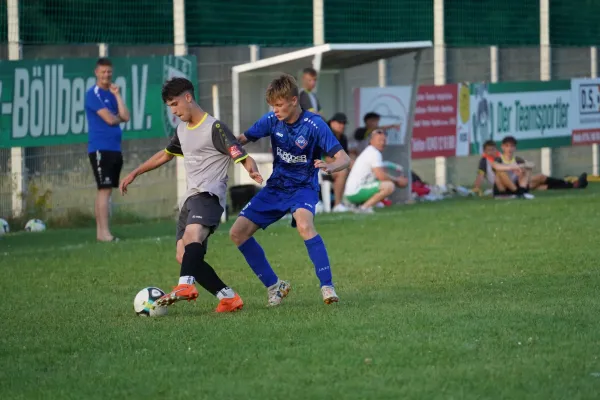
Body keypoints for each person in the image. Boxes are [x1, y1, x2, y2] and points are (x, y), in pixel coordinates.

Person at [119, 77, 263, 313]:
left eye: (175, 104)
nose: (174, 111)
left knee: (192, 236)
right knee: (183, 255)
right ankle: (228, 297)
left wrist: (252, 170)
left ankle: (185, 285)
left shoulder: (214, 128)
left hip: (208, 196)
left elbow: (241, 154)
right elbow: (165, 154)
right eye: (170, 107)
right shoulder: (182, 130)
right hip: (189, 200)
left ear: (188, 97)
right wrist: (136, 172)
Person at [229, 73, 351, 306]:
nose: (275, 110)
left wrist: (331, 165)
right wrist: (223, 142)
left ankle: (327, 286)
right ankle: (275, 286)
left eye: (279, 104)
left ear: (294, 100)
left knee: (305, 225)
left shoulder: (314, 125)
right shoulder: (271, 120)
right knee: (237, 233)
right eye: (272, 105)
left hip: (303, 187)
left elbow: (344, 158)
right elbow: (242, 139)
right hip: (276, 186)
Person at [85, 57, 130, 242]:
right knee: (103, 189)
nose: (106, 75)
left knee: (107, 190)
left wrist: (118, 95)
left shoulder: (112, 94)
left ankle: (101, 233)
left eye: (109, 72)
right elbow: (110, 119)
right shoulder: (92, 94)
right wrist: (117, 118)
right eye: (103, 72)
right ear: (96, 72)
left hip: (114, 148)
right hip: (100, 148)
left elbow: (125, 116)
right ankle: (104, 233)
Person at [474, 139, 588, 195]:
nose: (492, 152)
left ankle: (572, 185)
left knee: (539, 185)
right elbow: (484, 174)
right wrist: (476, 188)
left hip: (516, 181)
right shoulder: (486, 161)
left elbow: (529, 164)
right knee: (540, 178)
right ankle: (572, 185)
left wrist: (522, 167)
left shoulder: (505, 157)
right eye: (489, 150)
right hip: (506, 185)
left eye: (493, 149)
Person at [344, 129, 408, 213]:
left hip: (352, 192)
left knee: (384, 181)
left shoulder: (370, 151)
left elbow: (380, 173)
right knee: (389, 186)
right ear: (371, 141)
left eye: (384, 140)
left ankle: (360, 205)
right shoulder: (374, 153)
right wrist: (397, 181)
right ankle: (364, 208)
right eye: (379, 140)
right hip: (354, 192)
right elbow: (380, 176)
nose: (382, 143)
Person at [326, 112, 351, 212]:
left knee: (354, 168)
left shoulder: (343, 138)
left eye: (344, 123)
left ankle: (350, 201)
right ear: (332, 123)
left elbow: (346, 156)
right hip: (318, 166)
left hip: (334, 165)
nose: (342, 125)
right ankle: (337, 204)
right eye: (340, 123)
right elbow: (325, 158)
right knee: (342, 171)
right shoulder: (326, 135)